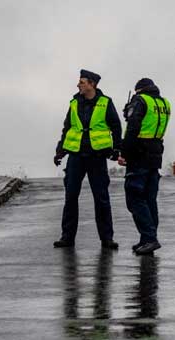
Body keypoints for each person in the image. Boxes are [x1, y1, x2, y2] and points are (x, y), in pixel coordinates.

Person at [53, 69, 122, 249]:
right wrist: (60, 151)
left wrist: (116, 148)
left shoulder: (105, 103)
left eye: (82, 82)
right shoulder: (75, 103)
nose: (78, 85)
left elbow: (116, 126)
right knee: (70, 197)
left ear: (92, 84)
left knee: (101, 198)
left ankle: (107, 239)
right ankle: (67, 237)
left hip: (97, 156)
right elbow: (67, 127)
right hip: (76, 156)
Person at [119, 77, 171, 255]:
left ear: (138, 90)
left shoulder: (140, 100)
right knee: (149, 199)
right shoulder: (164, 103)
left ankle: (149, 238)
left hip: (139, 154)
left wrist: (124, 152)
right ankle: (147, 238)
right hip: (156, 153)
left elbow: (133, 128)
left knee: (134, 197)